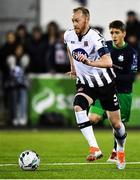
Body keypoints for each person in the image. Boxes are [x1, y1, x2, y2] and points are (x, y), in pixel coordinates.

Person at [64, 7, 127, 170]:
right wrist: (73, 66)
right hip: (86, 84)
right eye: (73, 20)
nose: (74, 23)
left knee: (117, 124)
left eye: (77, 20)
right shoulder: (68, 35)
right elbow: (69, 48)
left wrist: (88, 62)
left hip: (105, 84)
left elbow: (107, 62)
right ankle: (95, 148)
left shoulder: (95, 38)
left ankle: (120, 149)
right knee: (78, 106)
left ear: (86, 20)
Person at [88, 20, 138, 162]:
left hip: (123, 93)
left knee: (116, 126)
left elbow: (131, 77)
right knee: (92, 118)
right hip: (104, 90)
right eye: (111, 32)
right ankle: (95, 149)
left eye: (117, 32)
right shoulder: (106, 47)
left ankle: (116, 151)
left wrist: (112, 75)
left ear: (124, 33)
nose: (114, 35)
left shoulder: (131, 53)